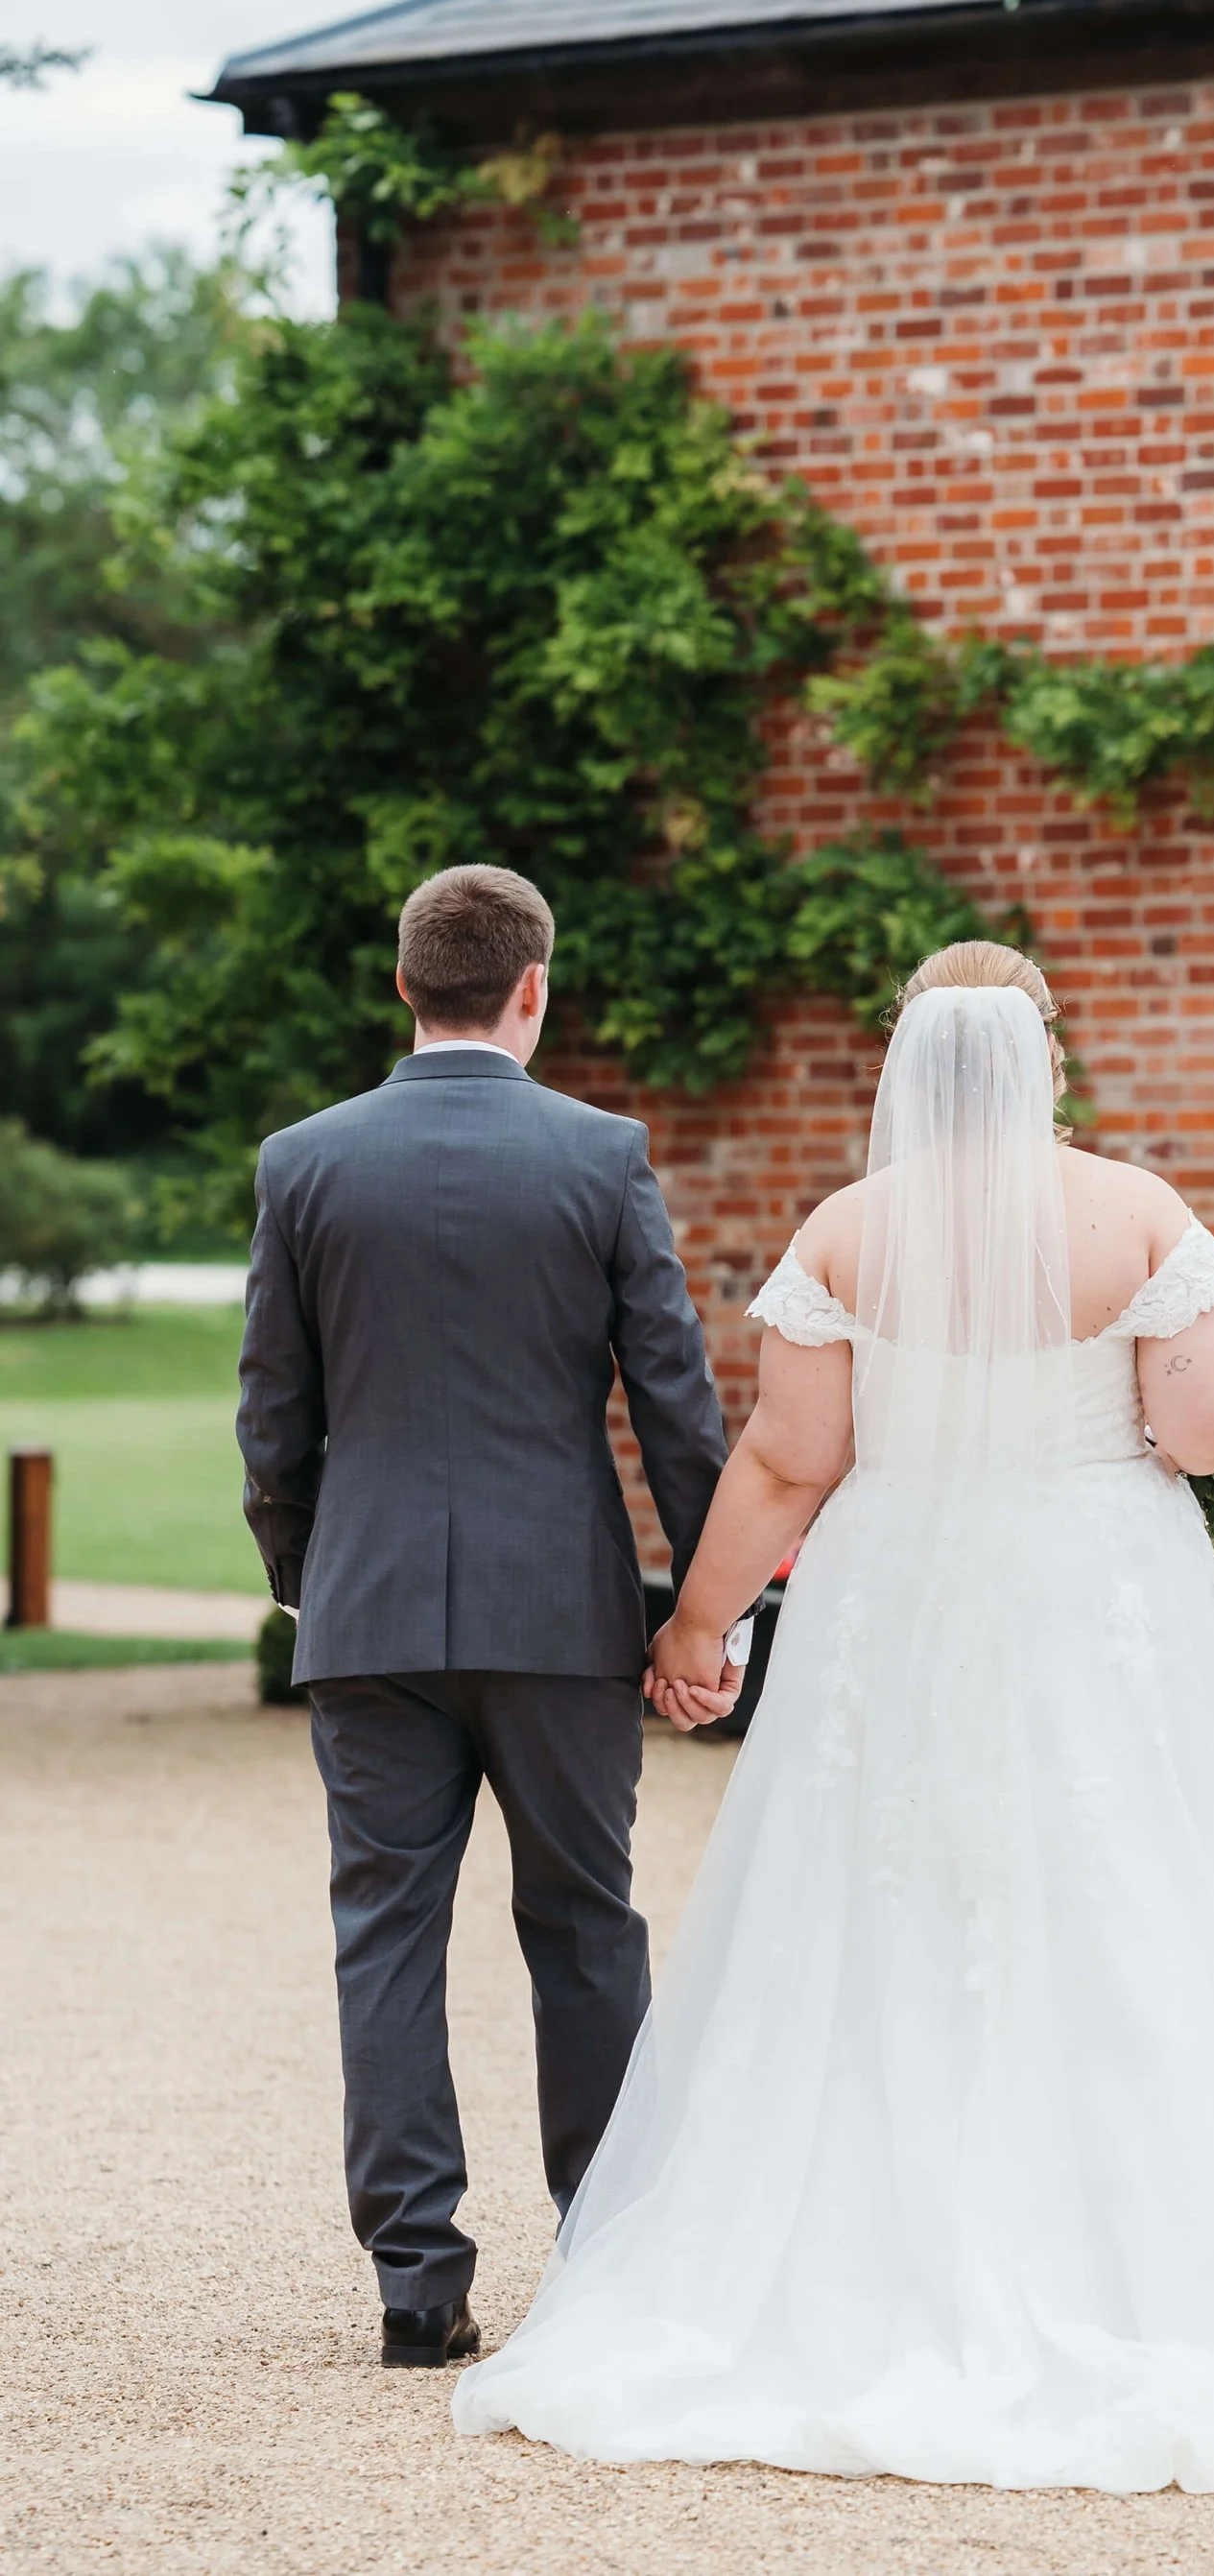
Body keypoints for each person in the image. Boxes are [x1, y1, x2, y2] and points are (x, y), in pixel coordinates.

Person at [454, 941, 1214, 2493]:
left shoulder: (848, 1231)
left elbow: (786, 1460)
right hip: (1092, 1595)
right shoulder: (1136, 1215)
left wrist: (695, 1628)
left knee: (877, 1907)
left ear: (906, 1059)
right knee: (1131, 1891)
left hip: (894, 1596)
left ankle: (844, 2259)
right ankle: (1159, 2261)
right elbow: (1195, 1428)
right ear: (1044, 1050)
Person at [237, 863, 729, 2369]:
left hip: (370, 1610)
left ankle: (415, 2278)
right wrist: (711, 1613)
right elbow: (675, 1399)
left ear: (404, 985)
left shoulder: (304, 1163)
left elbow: (273, 1417)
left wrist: (310, 1582)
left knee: (382, 1932)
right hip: (559, 1615)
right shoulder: (602, 1156)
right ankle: (604, 2246)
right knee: (586, 1921)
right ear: (534, 988)